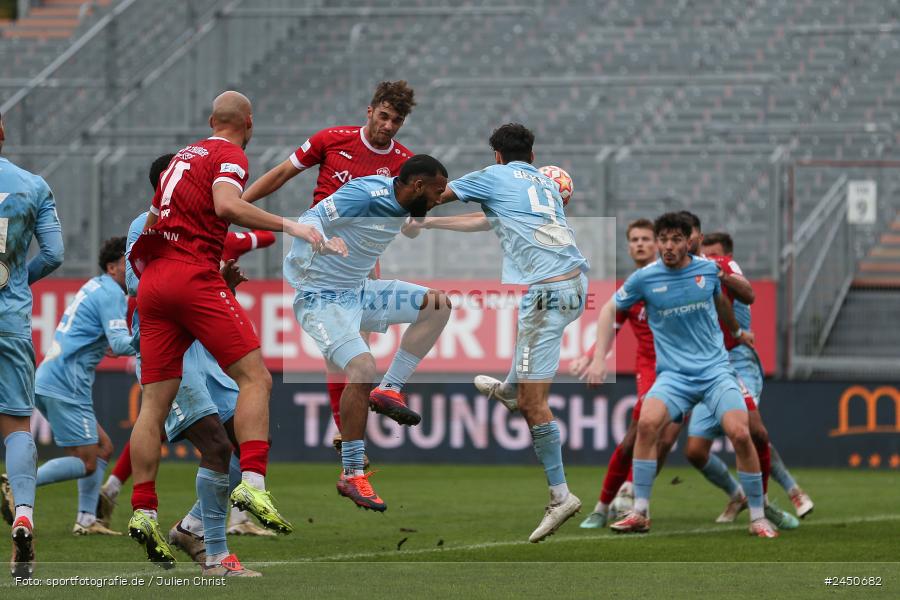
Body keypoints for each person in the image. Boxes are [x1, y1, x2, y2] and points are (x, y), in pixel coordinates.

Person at [125, 91, 323, 567]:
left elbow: (154, 225)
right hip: (191, 277)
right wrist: (291, 226)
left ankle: (143, 509)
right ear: (247, 124)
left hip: (154, 283)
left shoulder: (178, 161)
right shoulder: (228, 154)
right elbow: (228, 206)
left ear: (212, 119)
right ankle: (253, 485)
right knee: (256, 377)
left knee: (153, 405)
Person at [417, 124, 589, 542]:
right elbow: (487, 219)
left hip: (547, 291)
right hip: (573, 286)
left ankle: (561, 495)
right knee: (526, 370)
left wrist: (406, 208)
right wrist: (433, 228)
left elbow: (435, 194)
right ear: (531, 155)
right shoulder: (546, 184)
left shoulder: (492, 176)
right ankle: (510, 390)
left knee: (535, 405)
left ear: (496, 154)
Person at [243, 81, 415, 447]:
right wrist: (239, 203)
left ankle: (347, 437)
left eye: (396, 121)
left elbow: (412, 217)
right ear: (369, 111)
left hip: (363, 258)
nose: (387, 126)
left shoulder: (403, 162)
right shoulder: (332, 140)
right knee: (343, 350)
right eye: (383, 116)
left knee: (358, 353)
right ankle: (348, 437)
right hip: (320, 251)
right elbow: (282, 173)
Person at [589, 212, 777, 537]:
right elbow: (609, 309)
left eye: (677, 239)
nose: (669, 246)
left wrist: (735, 326)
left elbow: (740, 297)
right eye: (664, 239)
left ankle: (758, 516)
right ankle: (640, 512)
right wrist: (597, 358)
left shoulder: (707, 268)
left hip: (715, 372)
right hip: (674, 376)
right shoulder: (645, 278)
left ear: (689, 240)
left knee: (742, 433)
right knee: (647, 425)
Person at [284, 154, 450, 512]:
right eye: (436, 193)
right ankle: (352, 473)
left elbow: (422, 211)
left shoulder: (408, 200)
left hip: (359, 291)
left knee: (438, 305)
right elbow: (310, 219)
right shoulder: (365, 194)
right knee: (361, 368)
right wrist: (320, 242)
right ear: (418, 187)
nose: (439, 200)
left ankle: (389, 390)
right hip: (321, 298)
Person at [686, 232, 813, 523]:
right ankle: (738, 494)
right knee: (695, 450)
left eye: (718, 254)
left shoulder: (727, 271)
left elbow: (746, 294)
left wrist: (722, 273)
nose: (713, 258)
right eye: (709, 253)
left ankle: (780, 496)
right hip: (709, 365)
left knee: (750, 431)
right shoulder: (692, 277)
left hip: (739, 360)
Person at [568, 219, 680, 528]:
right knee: (638, 435)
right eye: (634, 239)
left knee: (668, 440)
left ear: (657, 244)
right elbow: (611, 325)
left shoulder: (675, 277)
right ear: (629, 246)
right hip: (651, 370)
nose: (640, 244)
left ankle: (630, 495)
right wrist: (594, 357)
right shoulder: (631, 287)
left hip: (685, 369)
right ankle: (606, 505)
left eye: (646, 238)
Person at [26, 238, 134, 538]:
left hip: (54, 378)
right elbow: (120, 343)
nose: (135, 267)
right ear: (113, 267)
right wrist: (149, 338)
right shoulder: (112, 293)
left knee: (103, 448)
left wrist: (109, 344)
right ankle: (20, 481)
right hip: (66, 383)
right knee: (88, 461)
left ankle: (87, 520)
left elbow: (99, 338)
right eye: (129, 261)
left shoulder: (95, 286)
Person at [0, 111, 65, 578]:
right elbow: (55, 253)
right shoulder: (32, 185)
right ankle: (23, 511)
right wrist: (19, 280)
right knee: (17, 425)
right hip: (9, 319)